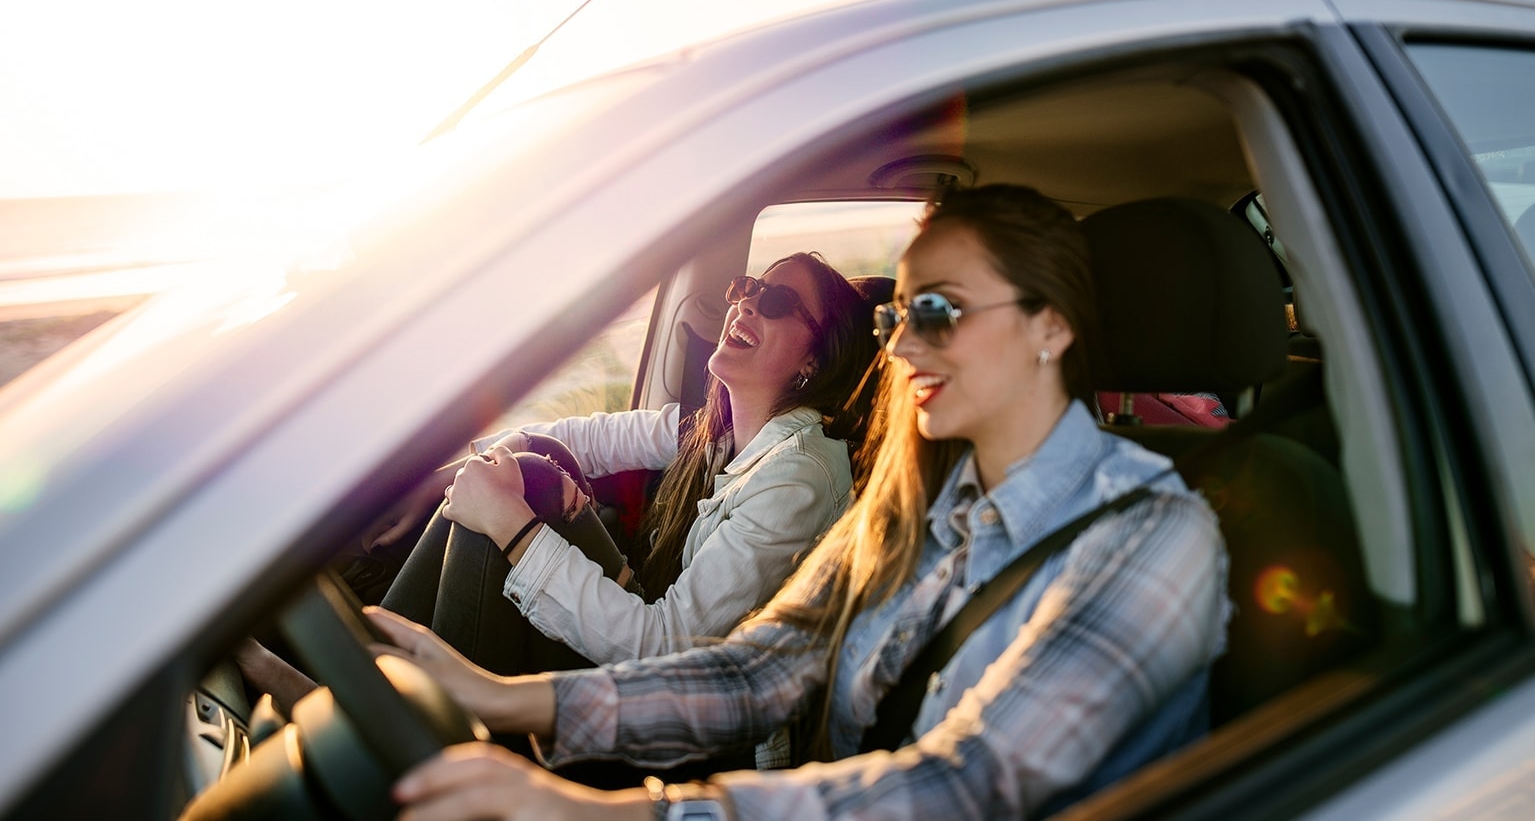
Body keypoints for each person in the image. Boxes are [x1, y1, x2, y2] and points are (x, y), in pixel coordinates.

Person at [367, 185, 1231, 820]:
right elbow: (760, 671)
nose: (905, 347)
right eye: (899, 316)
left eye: (942, 310)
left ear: (1050, 328)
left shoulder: (1154, 536)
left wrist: (603, 812)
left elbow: (964, 787)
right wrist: (502, 699)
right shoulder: (912, 509)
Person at [241, 252, 881, 711]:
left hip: (679, 720)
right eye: (749, 287)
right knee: (529, 466)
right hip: (643, 661)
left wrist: (512, 525)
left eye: (777, 302)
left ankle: (358, 705)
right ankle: (352, 692)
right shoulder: (718, 432)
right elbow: (589, 436)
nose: (746, 303)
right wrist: (488, 461)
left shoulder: (797, 479)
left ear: (814, 357)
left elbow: (667, 649)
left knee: (523, 492)